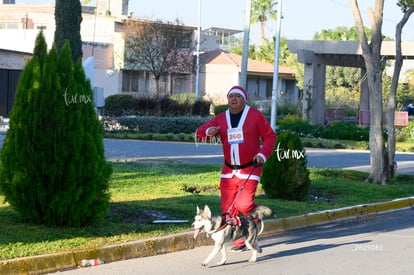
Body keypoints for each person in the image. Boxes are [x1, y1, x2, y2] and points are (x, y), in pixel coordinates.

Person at [196, 85, 277, 251]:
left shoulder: (255, 116)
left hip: (250, 168)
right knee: (227, 208)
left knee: (244, 204)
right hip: (228, 170)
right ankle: (240, 240)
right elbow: (200, 133)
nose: (233, 99)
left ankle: (256, 218)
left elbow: (270, 136)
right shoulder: (221, 118)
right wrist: (209, 131)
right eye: (231, 96)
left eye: (237, 96)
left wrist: (262, 155)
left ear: (244, 99)